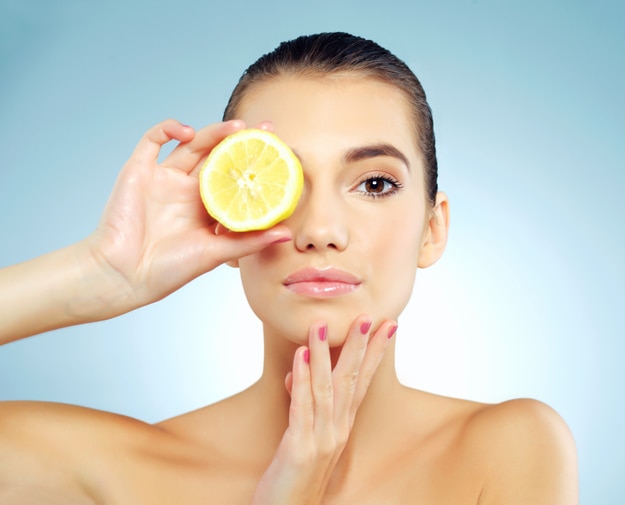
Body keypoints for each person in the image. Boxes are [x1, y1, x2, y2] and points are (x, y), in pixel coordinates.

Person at [0, 32, 578, 504]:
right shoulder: (112, 471)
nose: (321, 231)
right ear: (228, 217)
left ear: (433, 229)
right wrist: (101, 272)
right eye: (287, 183)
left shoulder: (509, 449)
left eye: (375, 183)